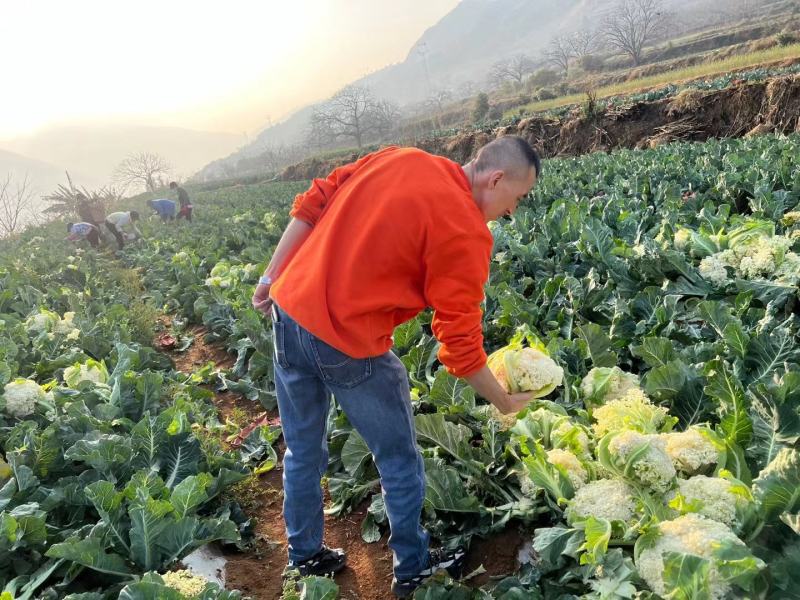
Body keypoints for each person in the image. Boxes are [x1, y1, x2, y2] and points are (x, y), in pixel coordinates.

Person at [251, 136, 541, 597]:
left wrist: (270, 276)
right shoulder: (466, 230)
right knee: (399, 459)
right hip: (347, 341)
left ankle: (305, 554)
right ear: (496, 178)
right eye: (517, 199)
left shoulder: (401, 157)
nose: (511, 211)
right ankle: (412, 568)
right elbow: (460, 344)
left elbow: (314, 201)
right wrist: (502, 400)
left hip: (288, 312)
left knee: (302, 450)